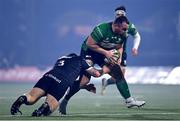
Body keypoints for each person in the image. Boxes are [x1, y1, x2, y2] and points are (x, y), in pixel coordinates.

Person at [59, 15, 145, 115]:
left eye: (126, 29)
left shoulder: (124, 32)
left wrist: (119, 57)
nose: (126, 31)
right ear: (116, 26)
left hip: (103, 53)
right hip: (89, 51)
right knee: (84, 81)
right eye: (124, 29)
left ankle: (129, 101)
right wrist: (106, 53)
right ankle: (65, 100)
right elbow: (89, 44)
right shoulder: (101, 29)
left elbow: (119, 46)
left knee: (118, 72)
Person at [10, 53, 103, 117]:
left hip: (48, 75)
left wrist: (85, 86)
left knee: (31, 97)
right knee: (52, 104)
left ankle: (22, 99)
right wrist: (106, 69)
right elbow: (96, 74)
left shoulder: (61, 58)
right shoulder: (80, 60)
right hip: (62, 80)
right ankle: (43, 109)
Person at [101, 6, 141, 95]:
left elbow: (137, 36)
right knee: (119, 76)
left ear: (124, 15)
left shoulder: (129, 26)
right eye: (117, 14)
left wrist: (135, 47)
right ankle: (127, 98)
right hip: (110, 53)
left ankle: (106, 82)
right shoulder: (111, 26)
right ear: (115, 15)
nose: (119, 16)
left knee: (119, 77)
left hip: (122, 54)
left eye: (121, 14)